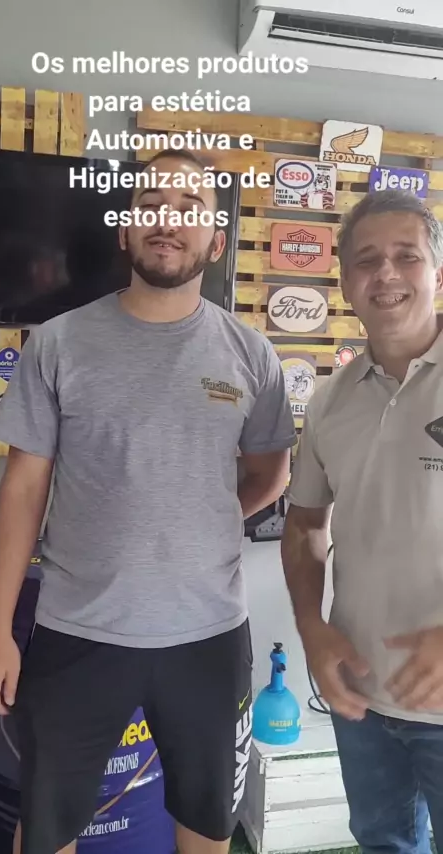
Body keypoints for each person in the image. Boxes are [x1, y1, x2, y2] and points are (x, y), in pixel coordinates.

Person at [0, 148, 297, 854]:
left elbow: (270, 476)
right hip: (76, 631)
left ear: (216, 241)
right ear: (124, 230)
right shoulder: (58, 343)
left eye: (189, 208)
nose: (167, 221)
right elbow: (23, 492)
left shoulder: (251, 355)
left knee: (206, 825)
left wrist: (200, 524)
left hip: (209, 636)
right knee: (46, 827)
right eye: (151, 205)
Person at [281, 188, 443, 854]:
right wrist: (312, 629)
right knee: (382, 842)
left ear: (438, 273)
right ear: (346, 282)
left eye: (407, 256)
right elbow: (304, 525)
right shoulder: (329, 401)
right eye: (367, 260)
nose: (386, 274)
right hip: (362, 698)